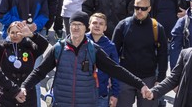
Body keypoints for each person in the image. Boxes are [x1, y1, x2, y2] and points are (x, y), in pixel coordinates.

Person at [23, 11, 152, 107]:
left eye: (80, 24)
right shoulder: (59, 48)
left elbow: (116, 70)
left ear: (86, 28)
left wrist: (139, 84)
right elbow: (39, 72)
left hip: (87, 103)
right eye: (73, 24)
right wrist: (24, 87)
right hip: (62, 103)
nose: (76, 28)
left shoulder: (94, 50)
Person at [111, 0, 168, 107]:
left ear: (149, 9)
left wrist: (160, 79)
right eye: (137, 8)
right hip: (125, 77)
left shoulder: (157, 28)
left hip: (148, 78)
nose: (139, 11)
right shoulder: (123, 25)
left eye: (143, 8)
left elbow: (163, 55)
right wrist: (112, 77)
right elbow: (113, 53)